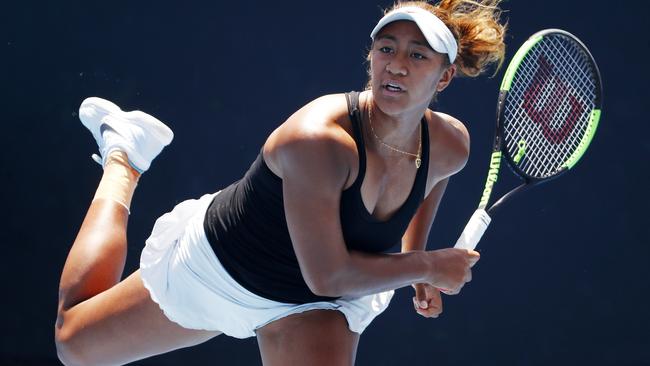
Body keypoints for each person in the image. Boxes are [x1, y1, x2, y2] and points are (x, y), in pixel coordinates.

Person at [54, 1, 506, 365]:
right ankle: (125, 158)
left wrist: (415, 259)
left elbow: (429, 182)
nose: (397, 66)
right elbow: (328, 273)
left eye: (418, 55)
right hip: (223, 273)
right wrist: (427, 266)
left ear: (445, 75)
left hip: (316, 307)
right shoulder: (317, 141)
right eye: (386, 48)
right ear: (370, 56)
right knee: (74, 346)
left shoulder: (450, 146)